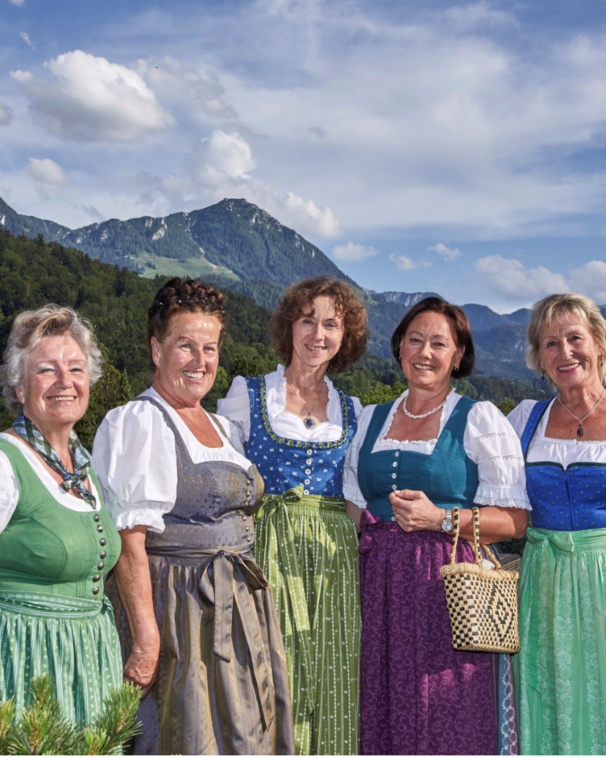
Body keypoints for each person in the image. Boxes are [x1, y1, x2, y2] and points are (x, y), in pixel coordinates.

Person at [93, 277, 294, 756]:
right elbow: (129, 539)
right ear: (156, 349)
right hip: (176, 609)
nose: (200, 361)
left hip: (236, 607)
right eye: (185, 345)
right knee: (184, 733)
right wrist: (147, 640)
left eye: (209, 348)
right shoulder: (138, 421)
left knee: (240, 732)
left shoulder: (224, 425)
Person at [344, 296, 529, 756]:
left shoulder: (478, 419)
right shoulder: (370, 419)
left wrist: (441, 519)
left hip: (446, 589)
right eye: (415, 340)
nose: (425, 352)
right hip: (379, 588)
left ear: (458, 355)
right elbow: (352, 508)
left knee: (447, 711)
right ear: (399, 347)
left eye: (439, 344)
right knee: (382, 704)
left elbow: (515, 520)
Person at [218, 275, 369, 755]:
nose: (318, 335)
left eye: (331, 325)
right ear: (290, 327)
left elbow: (355, 499)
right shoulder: (250, 395)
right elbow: (229, 482)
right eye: (308, 321)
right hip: (267, 549)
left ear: (345, 338)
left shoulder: (353, 410)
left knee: (332, 670)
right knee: (270, 668)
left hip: (333, 559)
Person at [0, 305, 122, 724]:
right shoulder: (6, 461)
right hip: (23, 665)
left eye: (75, 369)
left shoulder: (86, 468)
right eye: (46, 371)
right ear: (19, 387)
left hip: (90, 665)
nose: (65, 382)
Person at [508, 293, 606, 755]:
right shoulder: (526, 419)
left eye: (574, 338)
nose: (564, 353)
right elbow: (480, 484)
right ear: (539, 360)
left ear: (599, 345)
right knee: (547, 696)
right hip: (541, 581)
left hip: (603, 578)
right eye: (551, 344)